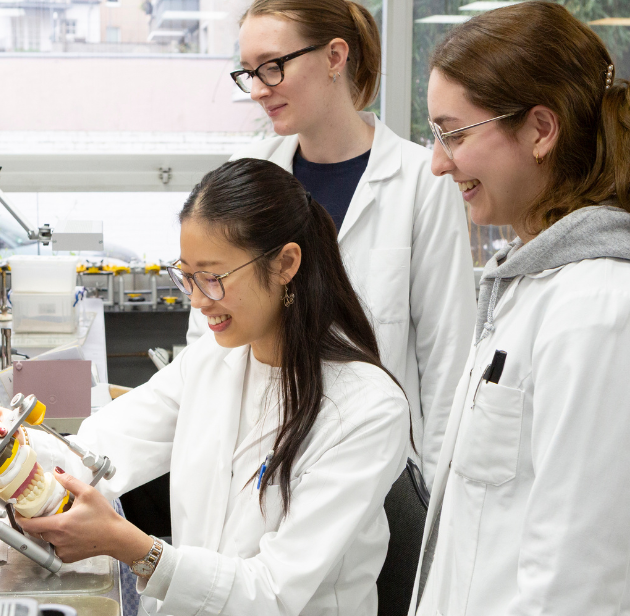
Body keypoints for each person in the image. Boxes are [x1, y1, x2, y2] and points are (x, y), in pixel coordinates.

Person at [0, 158, 410, 616]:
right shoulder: (213, 359)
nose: (198, 300)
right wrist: (6, 448)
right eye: (187, 276)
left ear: (286, 263)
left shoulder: (366, 410)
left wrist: (134, 548)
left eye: (213, 278)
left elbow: (273, 594)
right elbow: (93, 452)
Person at [409, 3, 630, 615]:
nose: (438, 162)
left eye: (454, 133)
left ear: (540, 130)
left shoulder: (603, 308)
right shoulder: (537, 283)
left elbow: (574, 584)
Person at [187, 0, 477, 475]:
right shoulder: (247, 174)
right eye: (248, 73)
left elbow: (447, 360)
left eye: (272, 67)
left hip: (379, 470)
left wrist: (435, 500)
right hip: (260, 461)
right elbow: (206, 344)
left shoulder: (420, 182)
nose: (257, 89)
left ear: (334, 57)